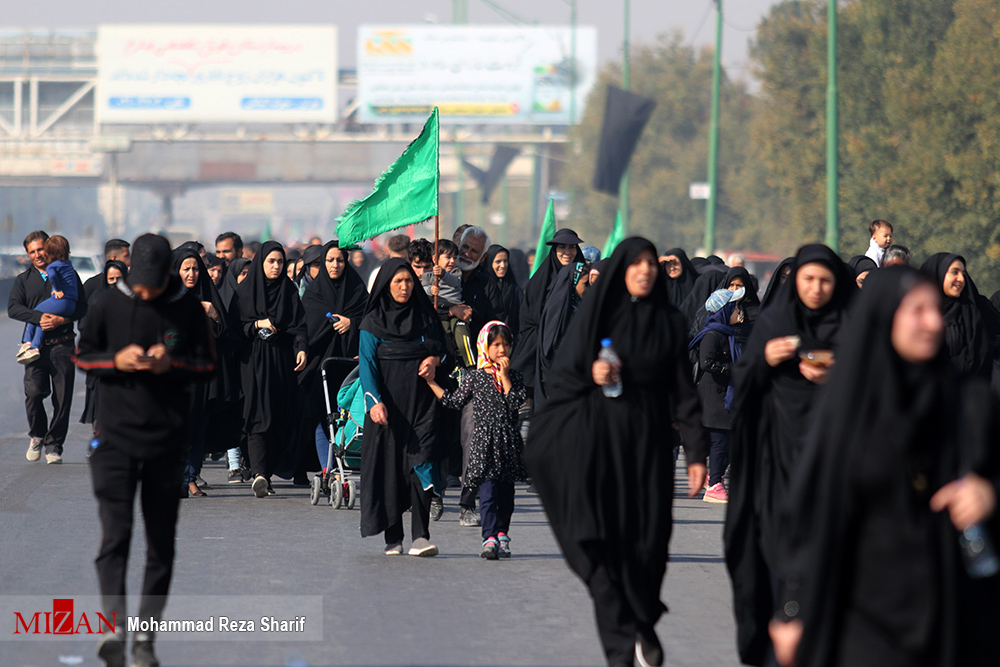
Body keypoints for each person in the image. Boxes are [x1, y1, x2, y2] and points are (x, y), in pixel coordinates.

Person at [768, 267, 1000, 667]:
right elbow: (810, 517)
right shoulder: (849, 409)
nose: (932, 321)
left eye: (934, 309)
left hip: (949, 609)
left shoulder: (968, 403)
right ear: (884, 317)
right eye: (917, 310)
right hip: (862, 613)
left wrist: (987, 493)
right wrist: (793, 608)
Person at [525, 238, 709, 667]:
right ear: (622, 271)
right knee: (603, 545)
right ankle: (619, 652)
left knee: (650, 543)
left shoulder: (668, 322)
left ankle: (643, 618)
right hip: (599, 444)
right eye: (637, 264)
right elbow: (563, 374)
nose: (645, 271)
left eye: (652, 264)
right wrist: (591, 371)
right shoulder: (597, 316)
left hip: (650, 445)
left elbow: (683, 390)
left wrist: (697, 452)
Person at [75, 233, 214, 667]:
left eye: (154, 284)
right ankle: (114, 626)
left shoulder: (185, 306)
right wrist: (115, 361)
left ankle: (145, 638)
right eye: (141, 283)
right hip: (114, 438)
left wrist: (169, 363)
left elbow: (207, 364)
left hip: (166, 440)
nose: (146, 293)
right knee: (115, 536)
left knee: (160, 545)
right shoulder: (107, 302)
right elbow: (84, 355)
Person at [725, 244, 854, 666]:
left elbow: (871, 391)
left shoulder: (848, 329)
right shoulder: (776, 323)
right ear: (795, 281)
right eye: (808, 279)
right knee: (777, 554)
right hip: (776, 461)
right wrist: (764, 358)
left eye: (825, 280)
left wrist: (839, 373)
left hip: (830, 463)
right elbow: (743, 389)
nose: (816, 288)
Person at [359, 259, 446, 557]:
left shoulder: (425, 315)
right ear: (386, 285)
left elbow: (443, 350)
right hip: (387, 409)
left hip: (422, 405)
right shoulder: (372, 322)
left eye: (408, 281)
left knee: (422, 465)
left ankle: (421, 535)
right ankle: (393, 536)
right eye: (397, 282)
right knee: (391, 469)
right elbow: (367, 366)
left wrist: (433, 361)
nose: (405, 287)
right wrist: (374, 402)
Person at [425, 321, 527, 559]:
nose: (501, 350)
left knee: (506, 496)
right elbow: (453, 401)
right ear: (485, 346)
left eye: (506, 345)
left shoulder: (517, 377)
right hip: (484, 445)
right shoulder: (475, 377)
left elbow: (516, 403)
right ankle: (489, 537)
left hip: (507, 445)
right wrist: (431, 383)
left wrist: (505, 376)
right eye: (496, 345)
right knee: (489, 493)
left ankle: (503, 534)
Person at [230, 241, 308, 497]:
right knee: (256, 416)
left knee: (278, 416)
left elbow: (299, 326)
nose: (276, 267)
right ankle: (259, 472)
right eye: (271, 262)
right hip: (252, 363)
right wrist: (255, 325)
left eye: (280, 262)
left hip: (280, 362)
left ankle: (266, 473)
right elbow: (234, 330)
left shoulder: (289, 291)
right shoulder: (244, 293)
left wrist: (301, 349)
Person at [8, 230, 87, 464]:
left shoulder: (67, 273)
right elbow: (13, 308)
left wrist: (62, 320)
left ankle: (54, 445)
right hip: (34, 348)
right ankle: (37, 434)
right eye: (31, 252)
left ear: (50, 247)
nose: (37, 255)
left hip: (62, 345)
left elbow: (82, 307)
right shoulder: (23, 280)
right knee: (33, 394)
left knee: (62, 399)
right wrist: (38, 317)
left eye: (40, 249)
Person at [690, 276, 759, 505]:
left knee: (727, 441)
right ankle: (715, 484)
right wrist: (733, 369)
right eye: (736, 306)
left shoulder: (728, 334)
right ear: (725, 309)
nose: (739, 310)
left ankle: (715, 476)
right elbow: (707, 362)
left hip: (725, 396)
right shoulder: (713, 334)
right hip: (714, 397)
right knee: (720, 441)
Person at [301, 241, 368, 470]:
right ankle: (327, 468)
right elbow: (307, 327)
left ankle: (347, 462)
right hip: (323, 366)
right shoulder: (314, 294)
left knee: (349, 415)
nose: (335, 265)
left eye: (340, 260)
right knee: (323, 415)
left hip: (351, 364)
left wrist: (352, 323)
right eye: (329, 260)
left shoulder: (357, 290)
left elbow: (370, 321)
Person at [172, 245, 228, 498]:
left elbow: (226, 334)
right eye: (186, 269)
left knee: (199, 428)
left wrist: (215, 315)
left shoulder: (209, 298)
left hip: (205, 377)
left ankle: (191, 477)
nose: (192, 274)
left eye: (196, 268)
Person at [512, 228, 585, 394]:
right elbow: (529, 318)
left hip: (573, 348)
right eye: (562, 247)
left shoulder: (583, 277)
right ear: (554, 250)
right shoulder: (540, 281)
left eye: (572, 247)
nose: (567, 252)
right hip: (540, 348)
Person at [920, 252, 1000, 381]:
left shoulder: (970, 313)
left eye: (963, 273)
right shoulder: (921, 316)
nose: (961, 279)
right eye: (954, 272)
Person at [80, 260, 129, 434]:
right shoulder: (97, 299)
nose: (115, 283)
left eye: (119, 279)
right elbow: (85, 327)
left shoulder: (134, 300)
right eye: (111, 279)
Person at [535, 261, 590, 406]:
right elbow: (550, 347)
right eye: (586, 284)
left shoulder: (580, 307)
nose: (589, 289)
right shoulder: (558, 309)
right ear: (573, 282)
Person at [18, 235, 79, 365]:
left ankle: (30, 343)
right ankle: (34, 345)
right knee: (43, 318)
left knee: (37, 314)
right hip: (71, 304)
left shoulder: (52, 267)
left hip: (62, 302)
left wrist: (57, 289)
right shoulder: (68, 264)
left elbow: (52, 276)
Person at [482, 244, 523, 337]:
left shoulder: (514, 291)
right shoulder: (482, 287)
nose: (503, 265)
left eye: (505, 261)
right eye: (498, 262)